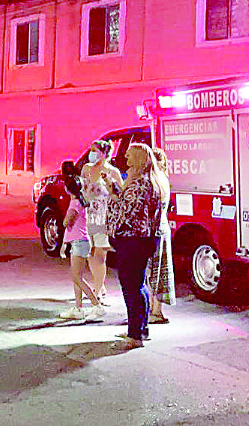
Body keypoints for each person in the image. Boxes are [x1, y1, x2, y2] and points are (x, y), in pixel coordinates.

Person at [106, 143, 169, 349]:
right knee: (139, 285)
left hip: (131, 241)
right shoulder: (155, 181)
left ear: (140, 159)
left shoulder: (139, 184)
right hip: (144, 241)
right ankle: (141, 328)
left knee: (130, 287)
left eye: (130, 155)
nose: (125, 158)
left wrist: (113, 195)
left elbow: (126, 213)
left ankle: (135, 334)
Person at [57, 161, 105, 321]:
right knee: (76, 275)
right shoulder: (80, 201)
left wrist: (65, 220)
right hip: (79, 242)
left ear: (67, 189)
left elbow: (66, 223)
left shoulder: (75, 204)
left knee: (77, 277)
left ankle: (96, 305)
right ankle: (78, 308)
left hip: (79, 243)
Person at [80, 139, 123, 304]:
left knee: (100, 254)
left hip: (103, 218)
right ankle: (100, 283)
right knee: (90, 253)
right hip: (88, 216)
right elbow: (81, 190)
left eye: (94, 150)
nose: (91, 153)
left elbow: (120, 194)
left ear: (104, 154)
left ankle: (97, 291)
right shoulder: (86, 169)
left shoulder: (113, 172)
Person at [148, 147, 176, 324]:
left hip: (155, 231)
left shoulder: (156, 181)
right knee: (158, 271)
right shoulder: (164, 179)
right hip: (162, 230)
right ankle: (154, 309)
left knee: (154, 272)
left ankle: (156, 311)